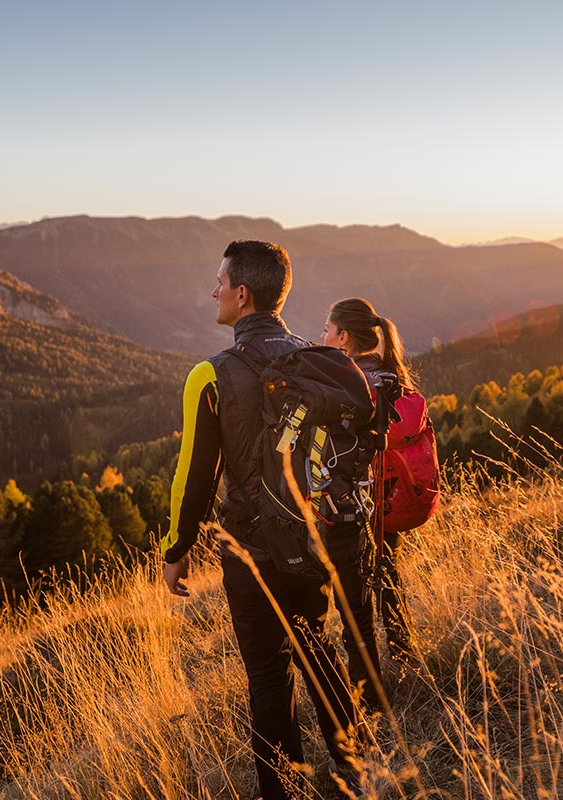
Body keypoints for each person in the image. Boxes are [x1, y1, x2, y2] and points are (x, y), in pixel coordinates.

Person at [160, 241, 361, 800]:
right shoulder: (319, 360)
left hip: (251, 550)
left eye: (219, 280)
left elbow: (193, 478)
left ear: (242, 294)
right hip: (313, 535)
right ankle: (354, 771)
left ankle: (284, 792)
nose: (213, 290)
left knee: (269, 677)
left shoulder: (212, 375)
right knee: (318, 647)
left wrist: (176, 552)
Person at [321, 297, 423, 704]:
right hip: (386, 499)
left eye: (327, 330)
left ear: (344, 337)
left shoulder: (344, 383)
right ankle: (404, 653)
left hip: (350, 508)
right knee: (387, 578)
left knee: (353, 606)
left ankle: (369, 697)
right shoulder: (390, 377)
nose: (322, 336)